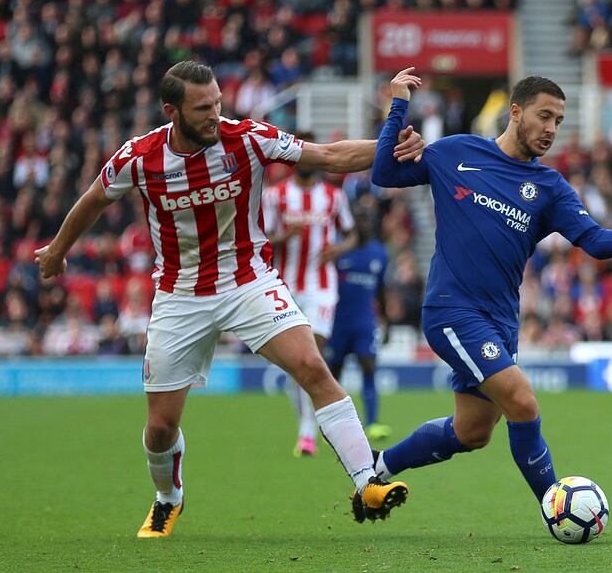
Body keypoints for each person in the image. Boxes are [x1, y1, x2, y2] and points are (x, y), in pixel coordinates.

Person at [34, 60, 425, 537]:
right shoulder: (139, 157)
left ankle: (367, 481)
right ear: (171, 111)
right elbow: (94, 199)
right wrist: (57, 251)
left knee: (313, 367)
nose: (214, 115)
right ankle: (167, 497)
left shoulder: (246, 138)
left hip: (248, 280)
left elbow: (328, 156)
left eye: (218, 102)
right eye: (202, 108)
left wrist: (392, 145)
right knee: (160, 428)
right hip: (180, 294)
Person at [368, 67, 612, 508]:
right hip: (451, 310)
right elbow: (384, 173)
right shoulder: (456, 152)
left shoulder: (550, 188)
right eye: (544, 116)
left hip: (501, 321)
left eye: (558, 120)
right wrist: (398, 104)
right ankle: (557, 507)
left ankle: (378, 468)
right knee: (522, 401)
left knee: (473, 432)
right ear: (515, 112)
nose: (551, 129)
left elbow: (595, 242)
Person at [263, 131, 357, 457]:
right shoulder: (275, 196)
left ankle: (307, 433)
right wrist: (283, 235)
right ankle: (307, 425)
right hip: (285, 287)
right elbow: (260, 239)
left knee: (312, 357)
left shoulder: (333, 196)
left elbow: (352, 234)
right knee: (297, 366)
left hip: (322, 287)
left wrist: (339, 249)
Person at [325, 206, 392, 440]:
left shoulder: (380, 253)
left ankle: (373, 423)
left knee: (368, 366)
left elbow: (381, 290)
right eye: (360, 219)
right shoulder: (338, 251)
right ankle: (333, 426)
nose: (364, 224)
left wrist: (387, 322)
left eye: (368, 220)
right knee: (333, 374)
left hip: (365, 322)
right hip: (337, 322)